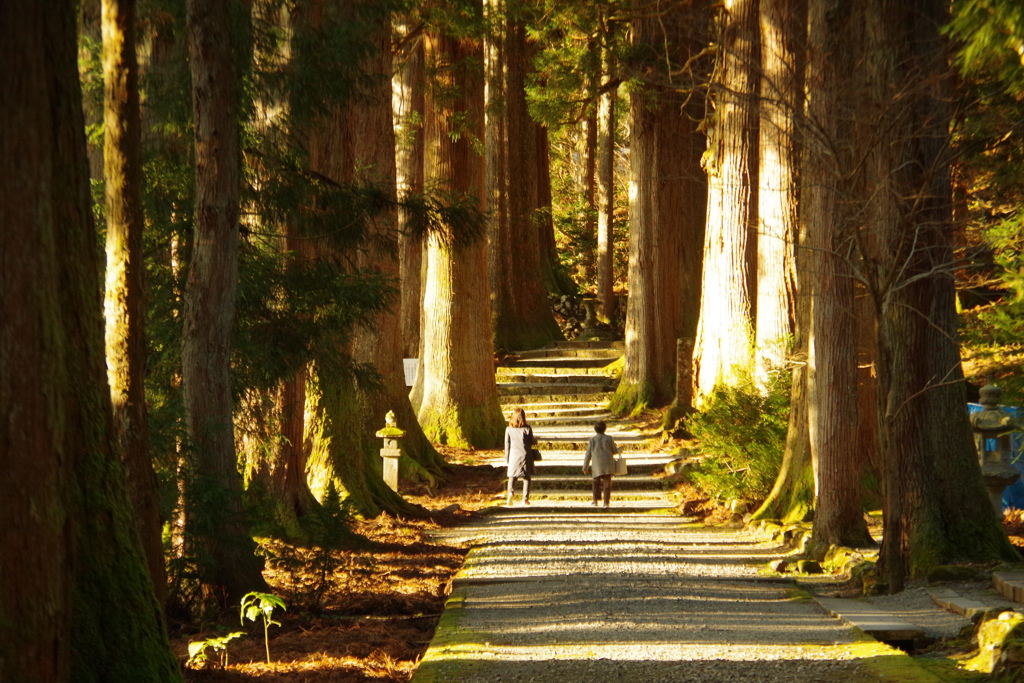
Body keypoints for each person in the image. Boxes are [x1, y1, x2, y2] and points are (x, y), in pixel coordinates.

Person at [583, 420, 619, 507]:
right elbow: (614, 451)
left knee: (596, 482)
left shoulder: (592, 440)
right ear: (605, 429)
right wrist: (619, 449)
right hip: (608, 464)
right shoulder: (609, 438)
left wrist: (585, 467)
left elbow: (588, 454)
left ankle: (595, 501)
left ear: (595, 429)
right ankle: (606, 503)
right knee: (607, 483)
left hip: (597, 464)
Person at [504, 407, 536, 506]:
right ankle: (525, 499)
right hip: (525, 455)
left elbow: (507, 445)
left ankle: (510, 492)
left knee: (512, 476)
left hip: (513, 455)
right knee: (526, 478)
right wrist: (535, 440)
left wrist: (507, 458)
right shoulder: (527, 428)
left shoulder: (509, 429)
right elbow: (531, 441)